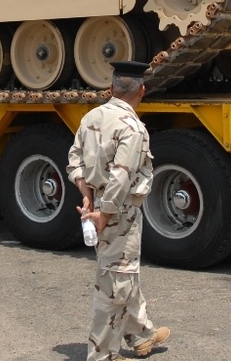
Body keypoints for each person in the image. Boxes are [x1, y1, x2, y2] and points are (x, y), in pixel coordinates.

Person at [67, 60, 170, 361]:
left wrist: (87, 196)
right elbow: (121, 176)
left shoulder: (90, 118)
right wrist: (105, 215)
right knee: (114, 283)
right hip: (119, 212)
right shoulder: (133, 128)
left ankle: (142, 334)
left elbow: (75, 159)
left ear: (110, 89)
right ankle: (101, 355)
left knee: (123, 273)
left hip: (100, 205)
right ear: (142, 91)